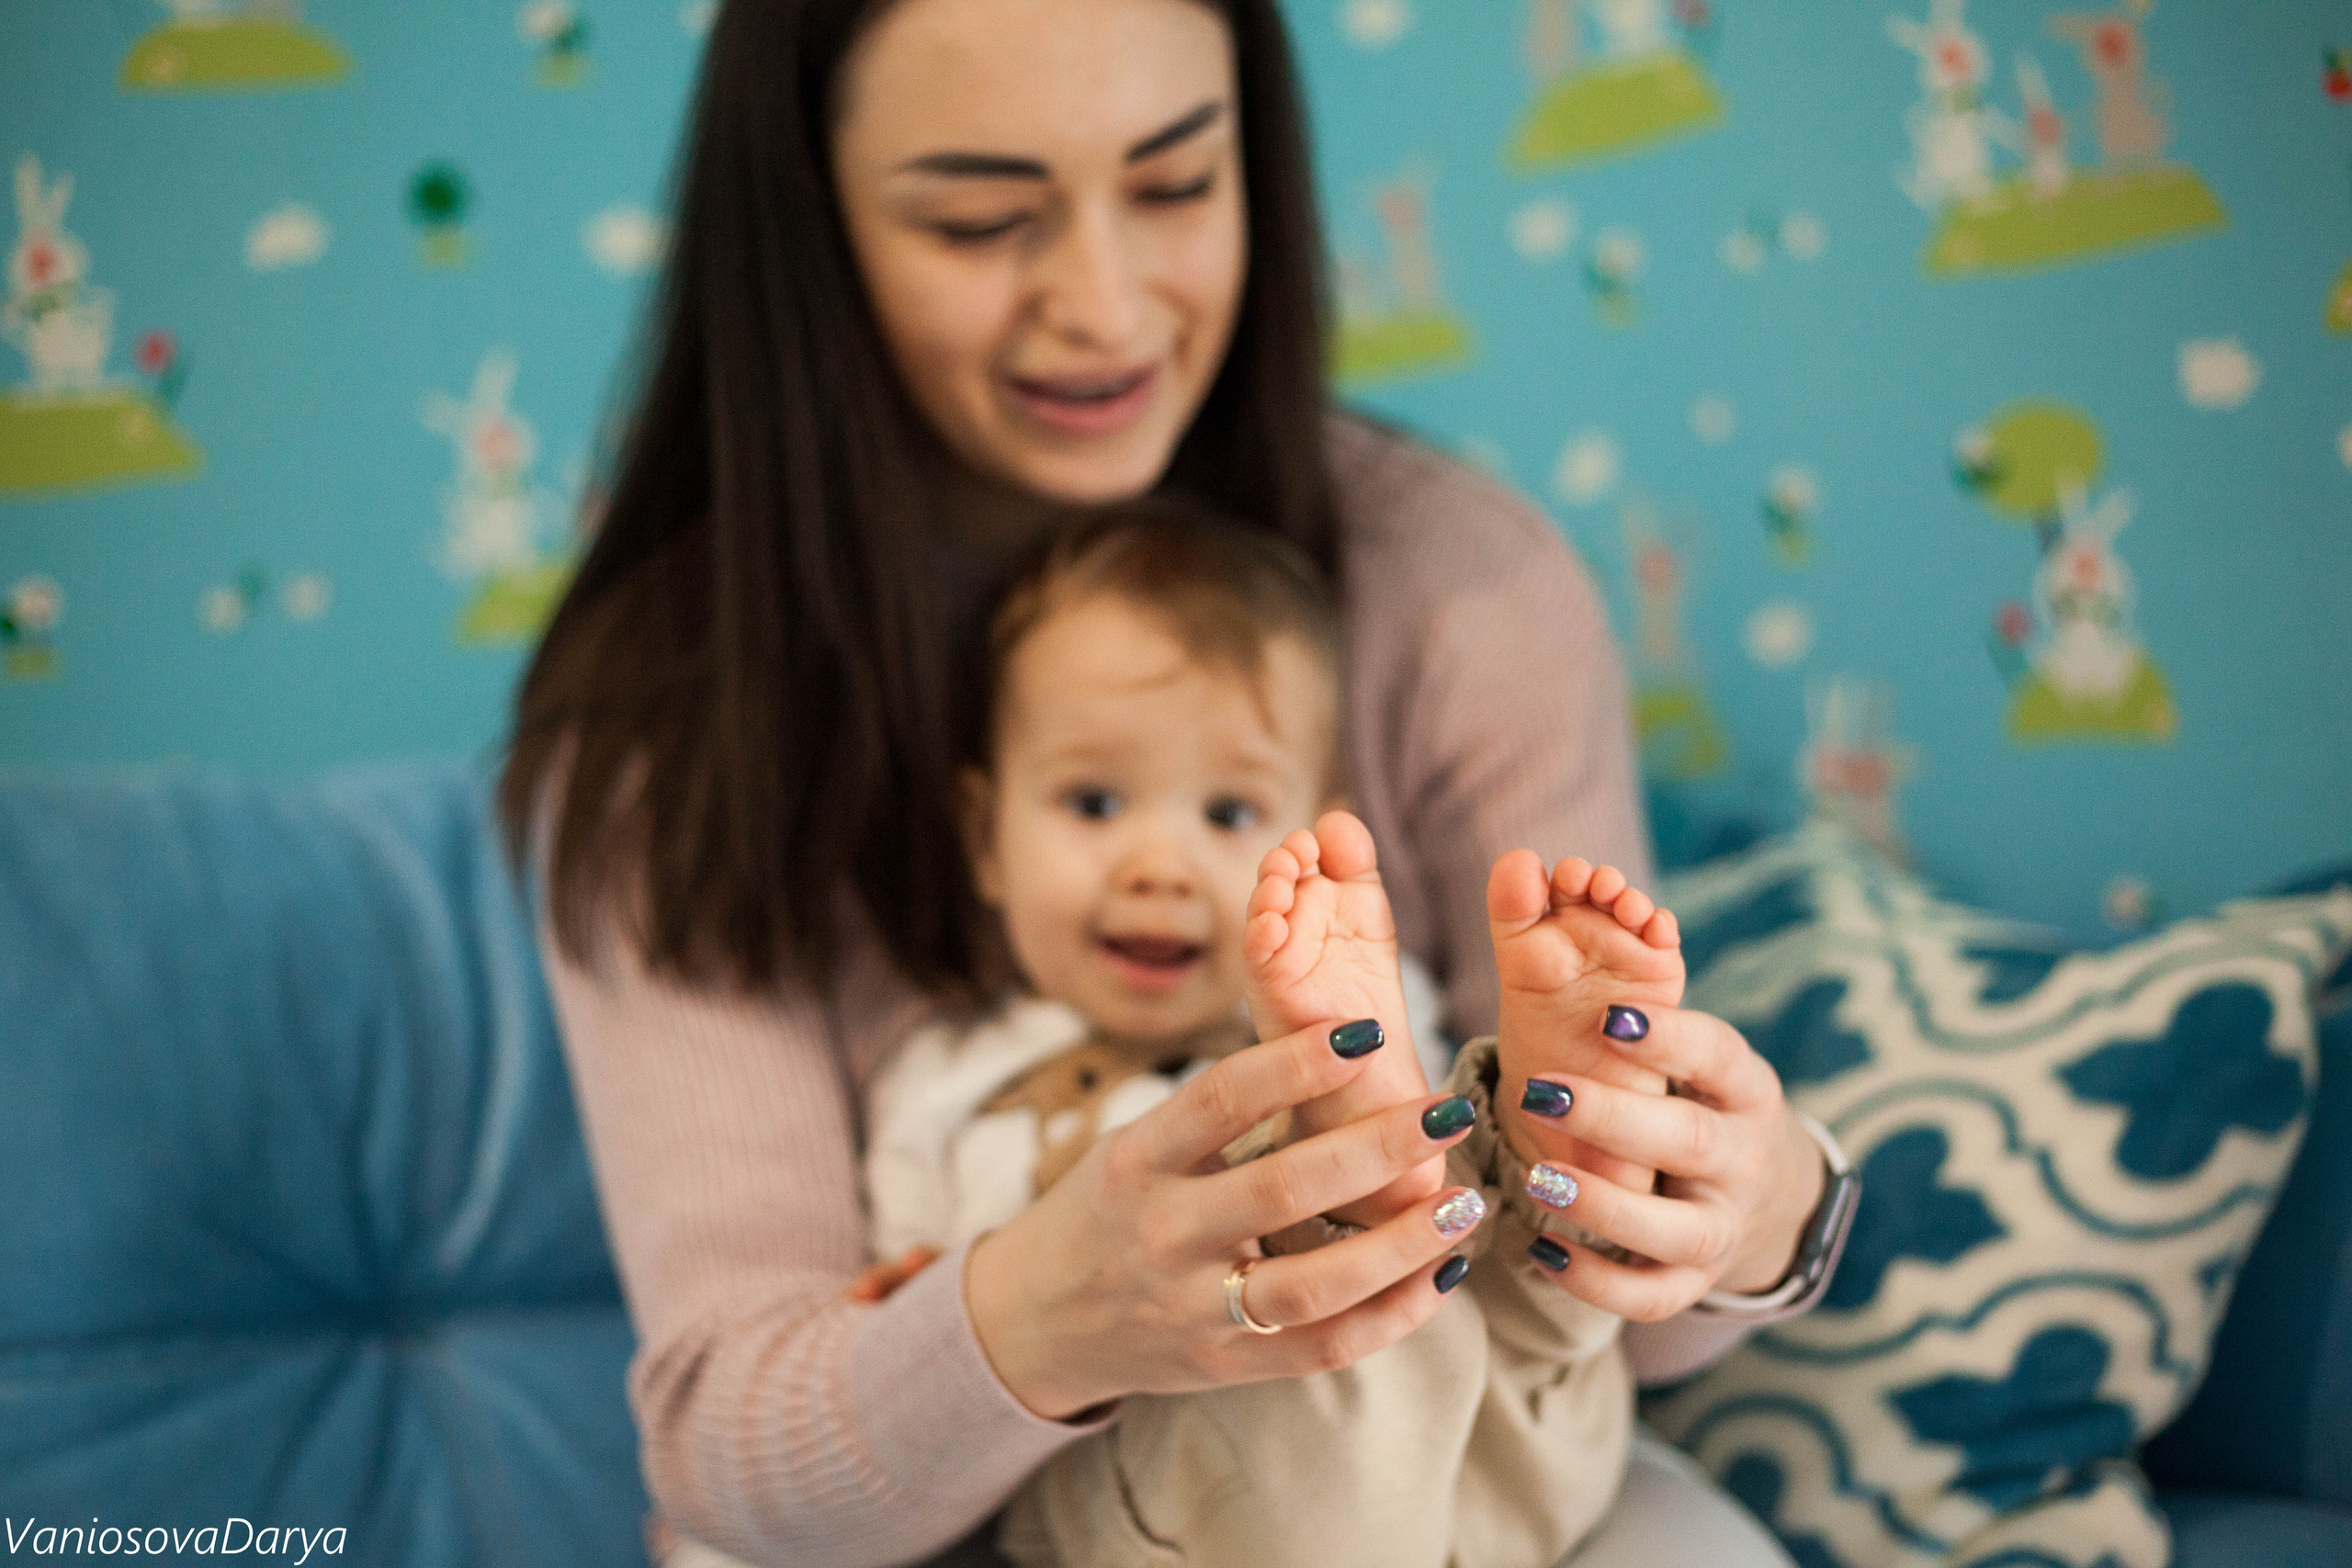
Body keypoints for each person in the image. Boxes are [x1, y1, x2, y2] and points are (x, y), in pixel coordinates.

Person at [500, 2, 1849, 1564]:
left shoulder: (1458, 587)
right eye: (981, 219)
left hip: (1465, 1438)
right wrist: (1051, 1307)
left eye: (1175, 183)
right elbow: (740, 1450)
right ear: (809, 233)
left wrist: (1748, 1202)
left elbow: (1645, 1340)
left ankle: (1397, 1131)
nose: (1106, 303)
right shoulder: (670, 733)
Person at [783, 505, 1676, 1567]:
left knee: (1489, 1249)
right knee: (1281, 1360)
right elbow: (918, 1316)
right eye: (1094, 802)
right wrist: (920, 1301)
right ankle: (1343, 1184)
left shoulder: (1387, 1004)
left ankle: (1549, 1160)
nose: (1157, 867)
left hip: (1483, 1432)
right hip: (1200, 1488)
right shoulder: (947, 1079)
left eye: (1228, 815)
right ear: (984, 837)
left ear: (1316, 830)